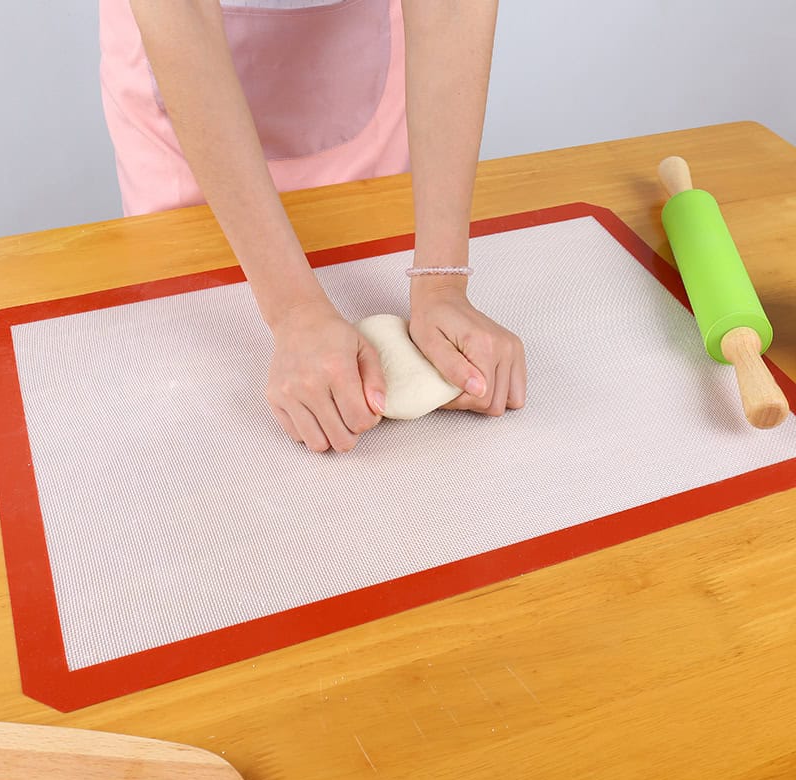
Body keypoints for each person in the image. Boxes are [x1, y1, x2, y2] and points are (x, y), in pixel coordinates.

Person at [99, 0, 526, 453]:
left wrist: (442, 281)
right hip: (185, 72)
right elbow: (180, 14)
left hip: (355, 67)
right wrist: (294, 310)